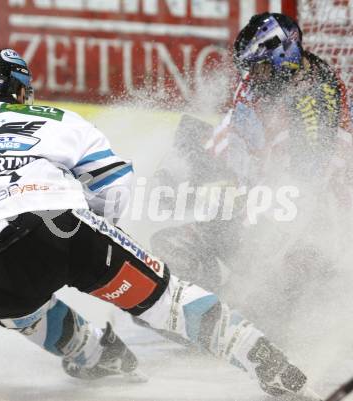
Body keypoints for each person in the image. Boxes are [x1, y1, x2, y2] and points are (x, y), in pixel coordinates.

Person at [0, 47, 322, 399]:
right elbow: (113, 183)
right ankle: (263, 359)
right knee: (168, 300)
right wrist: (97, 233)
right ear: (21, 90)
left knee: (9, 306)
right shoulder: (55, 118)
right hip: (64, 226)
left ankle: (95, 355)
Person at [149, 12, 353, 302]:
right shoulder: (278, 81)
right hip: (263, 196)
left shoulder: (313, 109)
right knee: (189, 136)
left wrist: (245, 266)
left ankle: (227, 305)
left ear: (285, 56)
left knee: (261, 295)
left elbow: (299, 195)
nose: (252, 77)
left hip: (302, 230)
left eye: (260, 69)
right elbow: (236, 131)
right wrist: (190, 172)